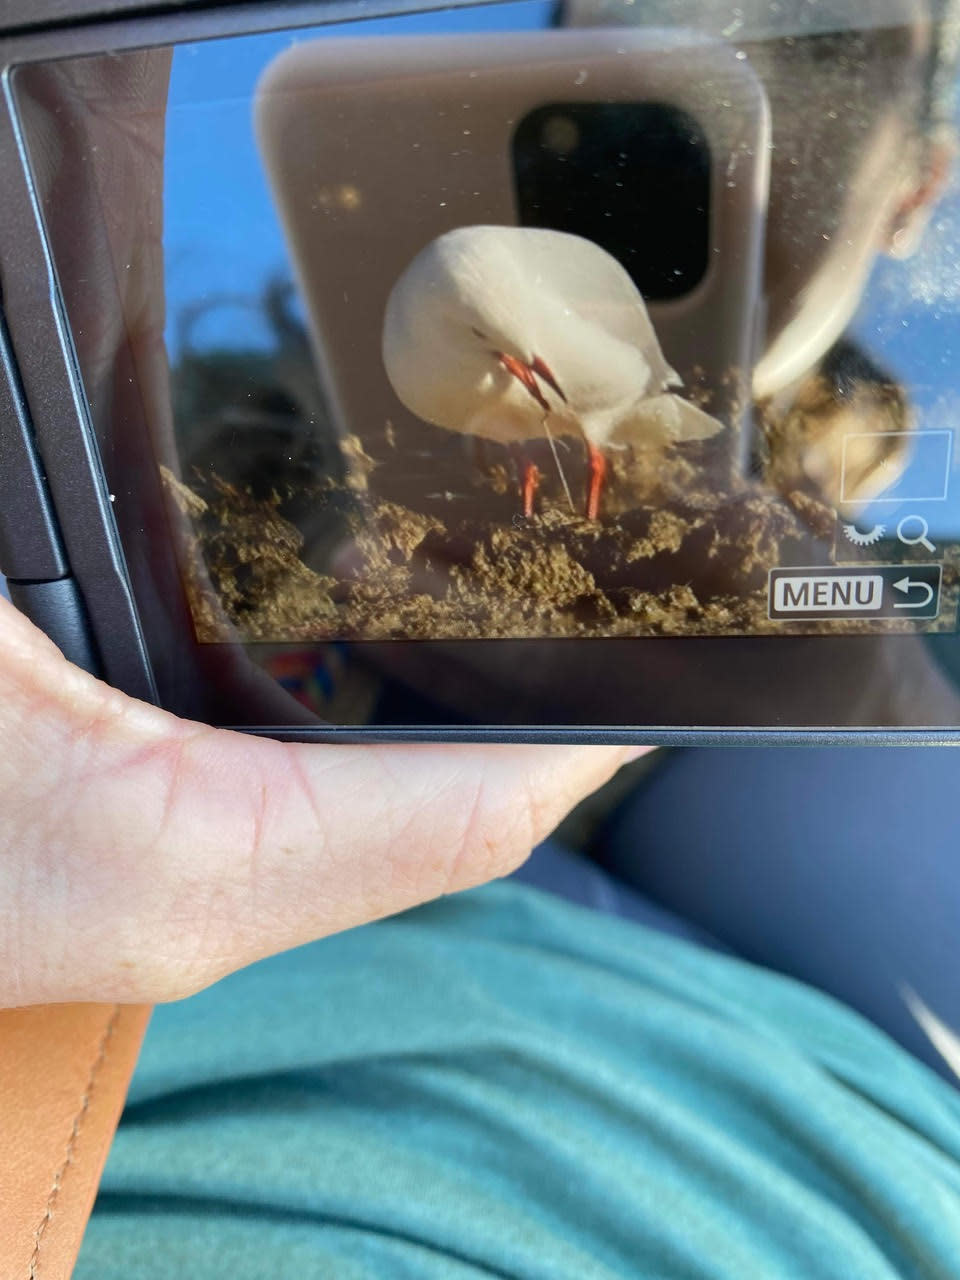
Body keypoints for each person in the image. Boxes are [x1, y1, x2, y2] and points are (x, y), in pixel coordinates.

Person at [4, 1, 960, 1276]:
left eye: (821, 43)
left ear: (921, 184)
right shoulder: (111, 442)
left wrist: (877, 727)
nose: (675, 86)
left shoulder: (921, 617)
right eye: (599, 14)